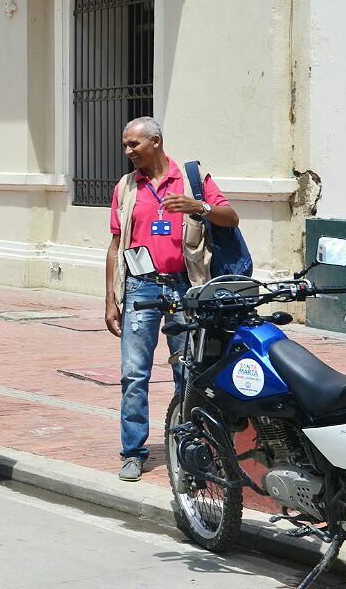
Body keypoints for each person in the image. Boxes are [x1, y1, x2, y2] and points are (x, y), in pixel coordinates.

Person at [105, 116, 238, 482]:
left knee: (188, 373)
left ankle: (190, 449)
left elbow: (231, 217)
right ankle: (133, 452)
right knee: (134, 374)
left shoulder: (194, 180)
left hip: (185, 289)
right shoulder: (126, 187)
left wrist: (199, 208)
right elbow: (116, 246)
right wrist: (110, 299)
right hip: (140, 288)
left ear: (156, 142)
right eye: (126, 144)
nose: (128, 151)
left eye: (134, 144)